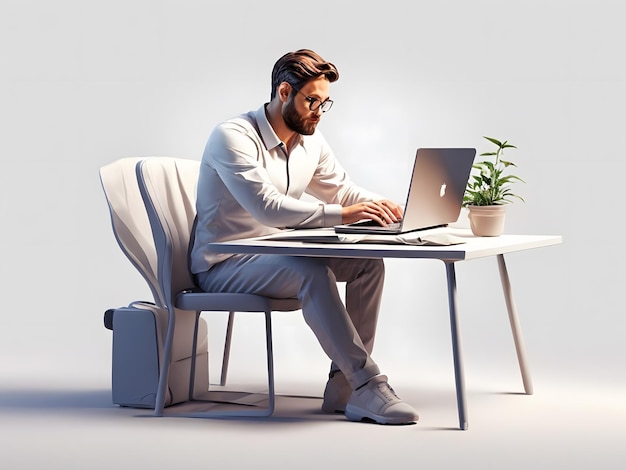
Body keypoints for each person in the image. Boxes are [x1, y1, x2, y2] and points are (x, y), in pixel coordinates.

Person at [190, 49, 419, 425]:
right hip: (224, 263)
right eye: (312, 101)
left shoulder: (309, 140)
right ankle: (367, 385)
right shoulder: (232, 136)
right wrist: (347, 214)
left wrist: (385, 208)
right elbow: (269, 208)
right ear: (284, 92)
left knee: (367, 264)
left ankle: (343, 387)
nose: (318, 111)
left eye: (325, 103)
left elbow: (342, 192)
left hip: (273, 256)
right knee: (308, 271)